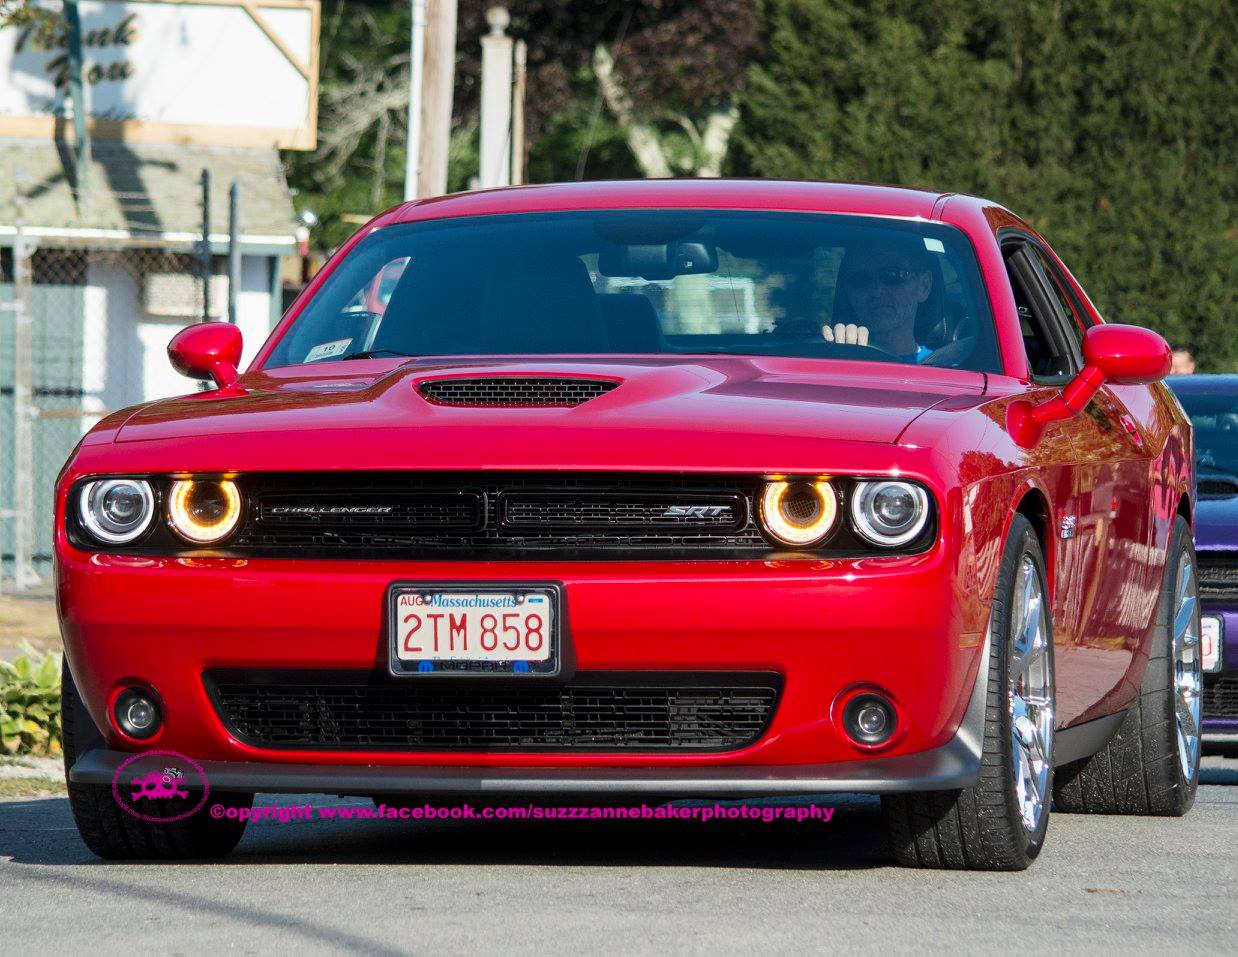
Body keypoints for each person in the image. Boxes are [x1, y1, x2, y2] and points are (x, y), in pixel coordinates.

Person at [824, 239, 941, 363]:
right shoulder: (828, 359)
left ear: (924, 286)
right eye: (860, 279)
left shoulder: (947, 371)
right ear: (848, 292)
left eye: (892, 275)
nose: (876, 290)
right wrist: (836, 355)